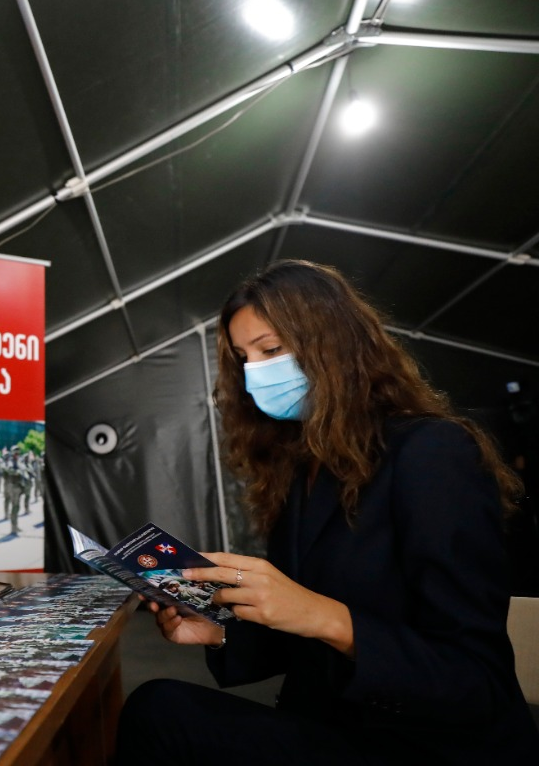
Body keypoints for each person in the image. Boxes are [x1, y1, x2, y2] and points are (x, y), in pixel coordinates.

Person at [114, 260, 539, 764]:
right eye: (243, 358)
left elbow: (474, 679)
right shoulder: (303, 466)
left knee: (159, 711)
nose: (255, 373)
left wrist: (325, 616)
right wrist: (219, 630)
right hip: (332, 724)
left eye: (271, 349)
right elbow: (302, 632)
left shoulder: (433, 452)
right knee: (159, 709)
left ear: (333, 343)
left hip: (428, 746)